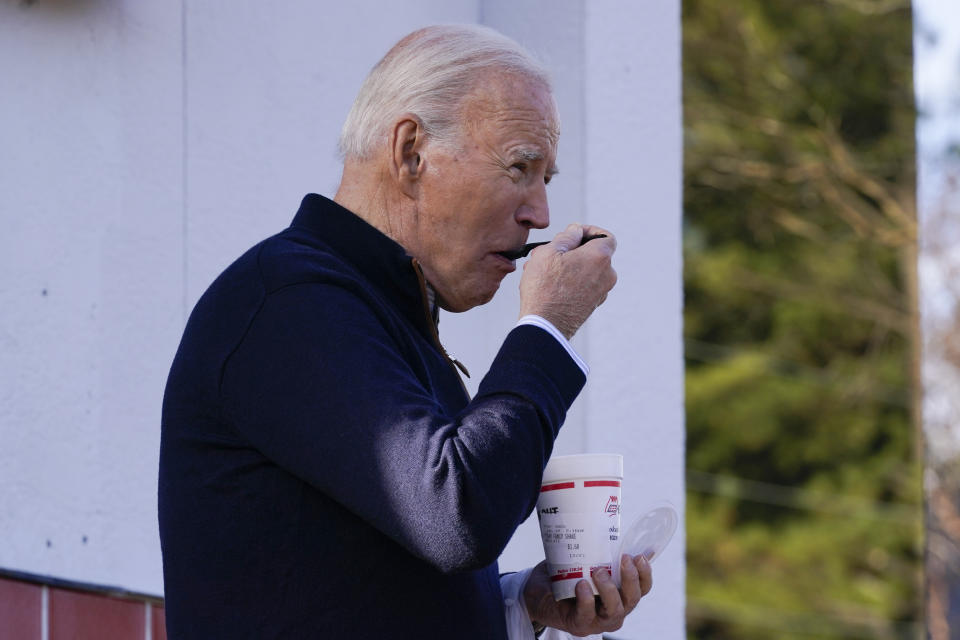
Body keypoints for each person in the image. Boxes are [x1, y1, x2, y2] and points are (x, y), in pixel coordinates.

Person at [159, 24, 652, 639]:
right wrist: (547, 328)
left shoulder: (367, 308)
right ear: (411, 151)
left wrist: (520, 604)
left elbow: (367, 585)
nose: (540, 213)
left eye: (545, 178)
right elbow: (458, 515)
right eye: (520, 166)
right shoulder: (290, 301)